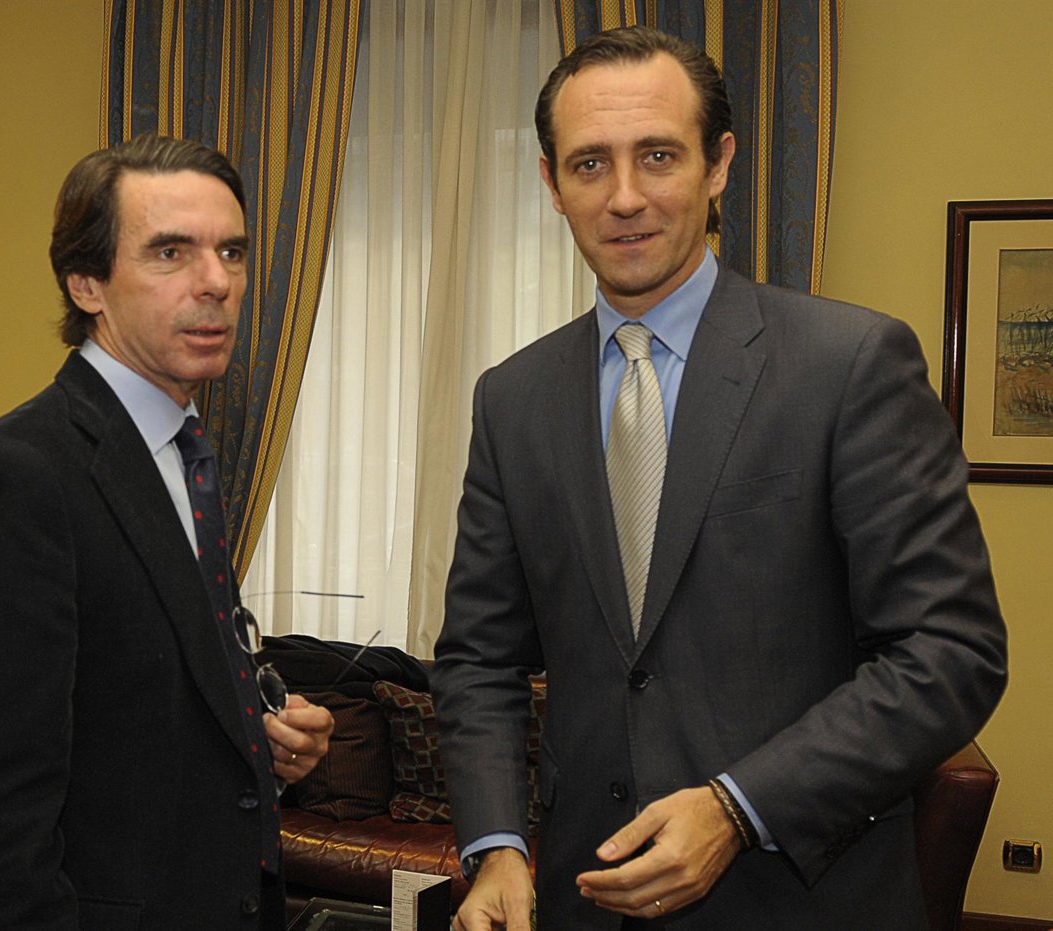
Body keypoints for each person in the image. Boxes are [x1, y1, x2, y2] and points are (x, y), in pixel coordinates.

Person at [431, 26, 1007, 931]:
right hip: (584, 900)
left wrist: (740, 807)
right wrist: (496, 844)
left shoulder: (850, 364)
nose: (625, 196)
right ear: (551, 183)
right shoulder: (513, 400)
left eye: (658, 155)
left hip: (802, 902)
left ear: (719, 165)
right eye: (590, 164)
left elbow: (950, 652)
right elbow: (479, 656)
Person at [0, 134, 334, 930]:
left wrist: (258, 740)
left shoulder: (184, 454)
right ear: (87, 284)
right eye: (171, 252)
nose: (217, 282)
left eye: (232, 251)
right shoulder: (17, 477)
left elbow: (135, 707)